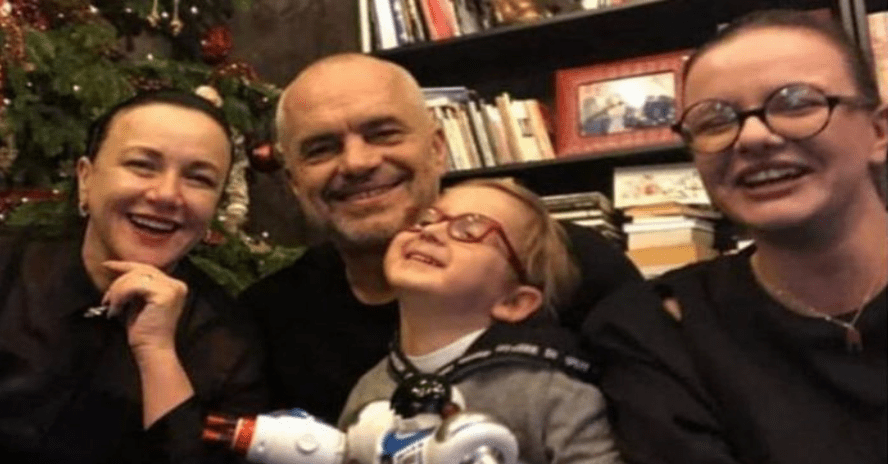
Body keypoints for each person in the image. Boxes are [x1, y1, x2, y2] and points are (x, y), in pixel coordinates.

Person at [239, 53, 640, 423]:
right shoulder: (268, 317)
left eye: (383, 133)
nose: (357, 162)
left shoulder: (569, 265)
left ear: (436, 149)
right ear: (293, 182)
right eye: (321, 149)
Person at [583, 10, 887, 464]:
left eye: (796, 103)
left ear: (878, 132)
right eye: (714, 121)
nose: (753, 137)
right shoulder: (655, 329)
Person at [0, 90, 267, 464]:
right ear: (86, 179)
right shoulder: (10, 264)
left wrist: (157, 352)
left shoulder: (229, 343)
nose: (167, 195)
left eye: (199, 179)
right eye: (142, 165)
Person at [339, 179, 623, 464]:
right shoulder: (369, 391)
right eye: (425, 219)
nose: (431, 231)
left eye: (469, 231)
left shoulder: (551, 391)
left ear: (514, 302)